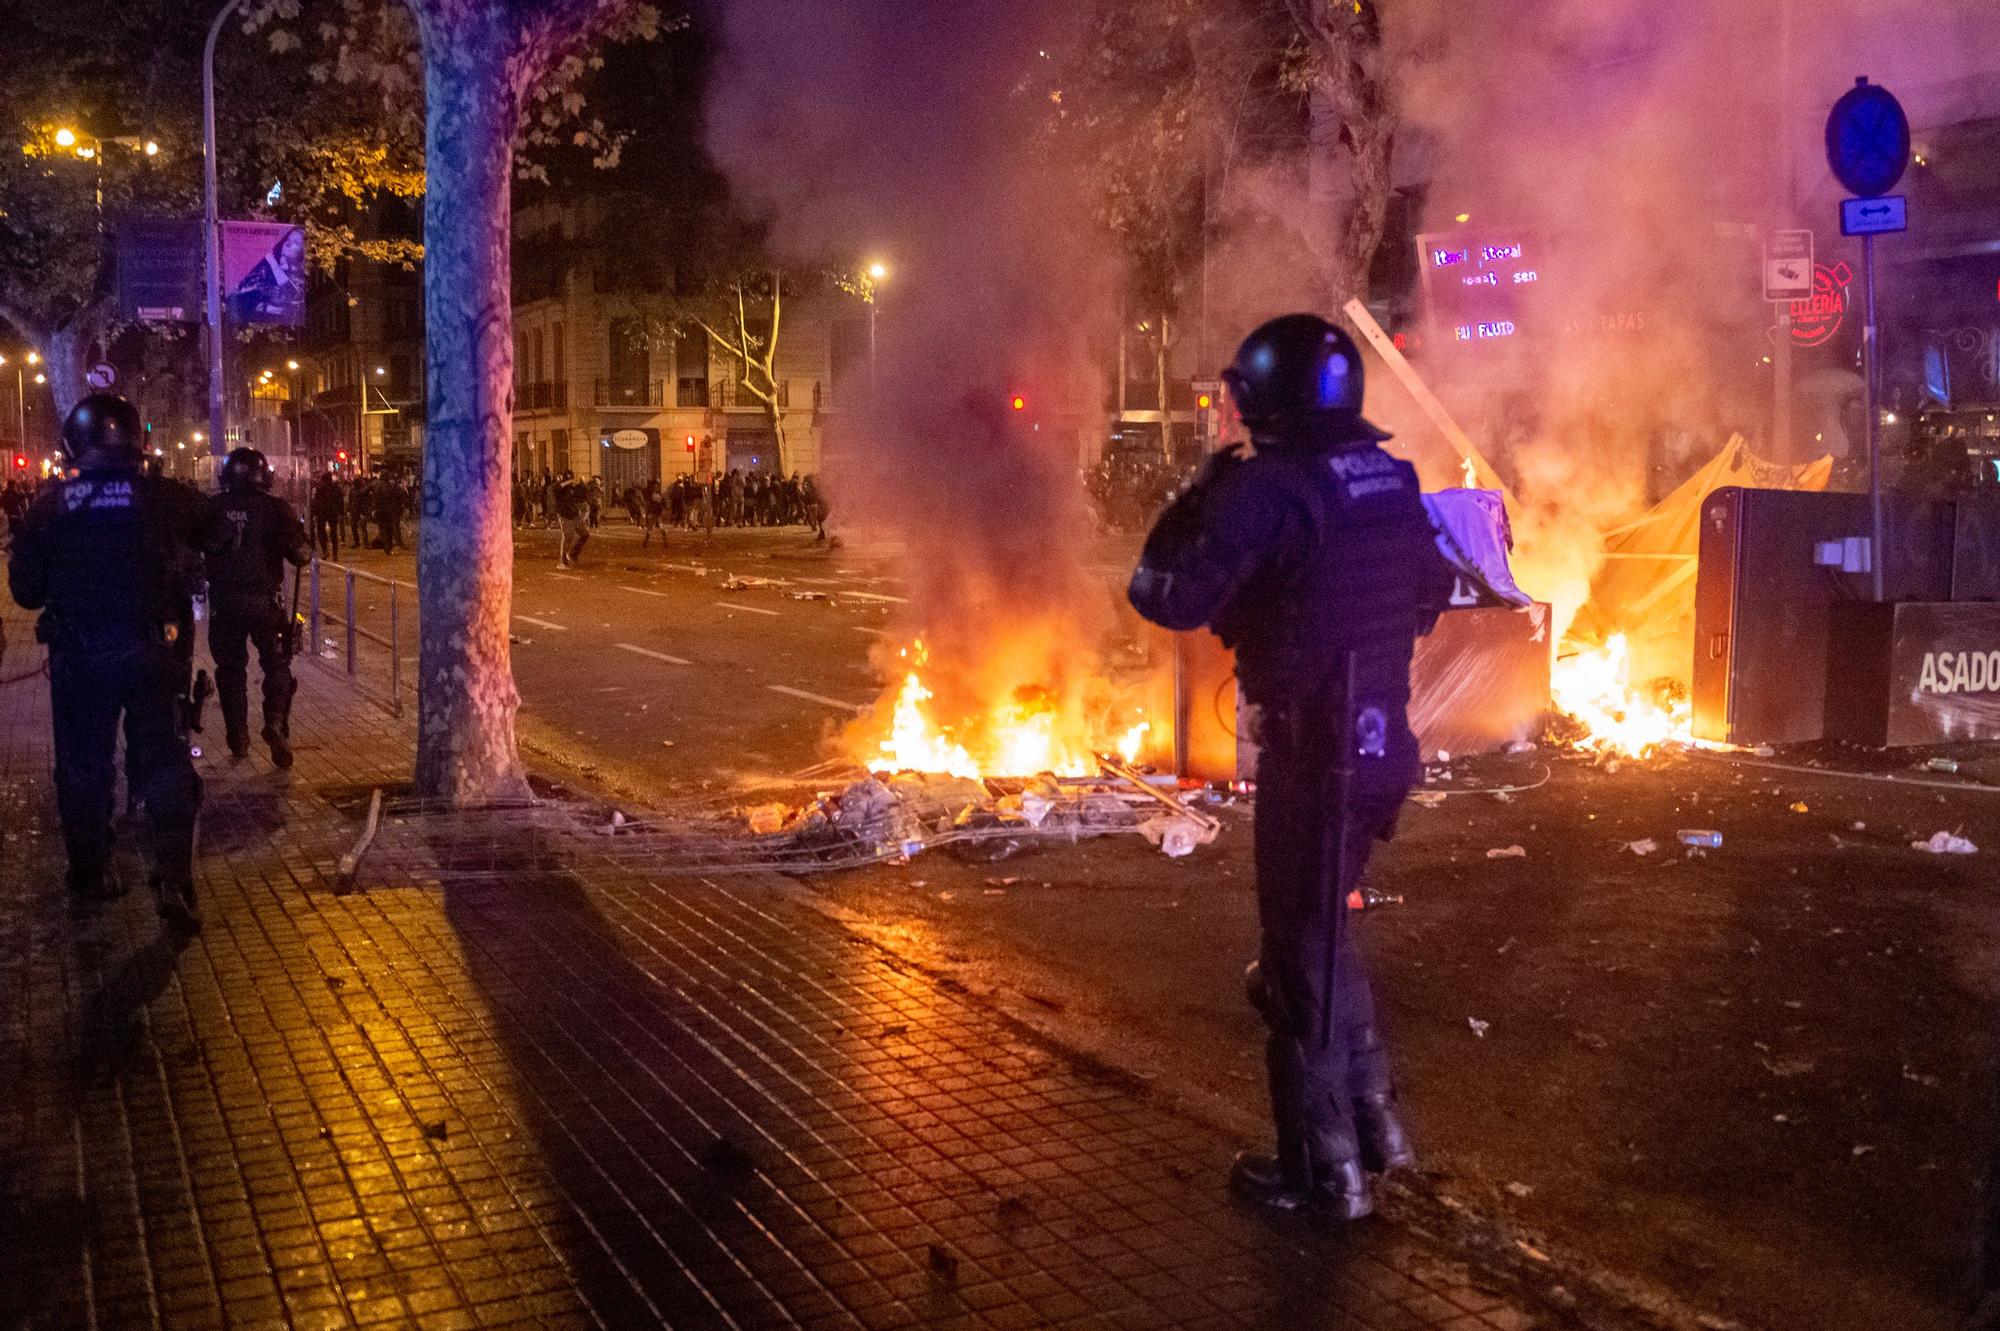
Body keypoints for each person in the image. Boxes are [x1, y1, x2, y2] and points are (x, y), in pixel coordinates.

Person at [1128, 313, 1453, 1222]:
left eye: (1236, 393)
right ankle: (1378, 1125)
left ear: (1263, 397)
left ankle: (1323, 1174)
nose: (1227, 408)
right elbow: (1431, 590)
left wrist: (1197, 501)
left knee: (1295, 961)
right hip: (1386, 745)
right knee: (1327, 934)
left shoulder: (1270, 485)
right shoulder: (1389, 474)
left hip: (1314, 757)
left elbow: (1168, 595)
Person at [7, 394, 223, 929]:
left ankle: (92, 871)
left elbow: (28, 592)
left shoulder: (51, 506)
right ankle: (173, 873)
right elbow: (217, 532)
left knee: (84, 765)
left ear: (73, 443)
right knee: (165, 757)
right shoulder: (168, 498)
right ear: (138, 441)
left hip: (80, 657)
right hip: (154, 649)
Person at [208, 447, 312, 768]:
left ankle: (238, 738)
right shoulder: (276, 509)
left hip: (224, 605)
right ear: (263, 475)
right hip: (265, 603)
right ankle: (275, 724)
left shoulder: (213, 508)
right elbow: (302, 555)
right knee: (277, 666)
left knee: (230, 671)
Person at [555, 472, 589, 567]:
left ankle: (572, 554)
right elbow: (555, 488)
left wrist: (582, 484)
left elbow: (581, 498)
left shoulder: (573, 489)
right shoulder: (559, 489)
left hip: (575, 514)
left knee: (585, 534)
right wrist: (568, 482)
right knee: (568, 537)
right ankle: (562, 560)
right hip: (565, 516)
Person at [309, 470, 343, 560]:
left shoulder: (319, 487)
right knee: (333, 533)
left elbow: (315, 501)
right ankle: (335, 554)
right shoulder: (336, 488)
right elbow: (340, 500)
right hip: (332, 512)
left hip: (322, 512)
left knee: (321, 532)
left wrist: (314, 513)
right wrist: (341, 512)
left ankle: (325, 551)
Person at [371, 471, 406, 553]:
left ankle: (386, 546)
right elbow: (400, 495)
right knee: (389, 528)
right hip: (389, 510)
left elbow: (365, 493)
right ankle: (389, 547)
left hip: (379, 509)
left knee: (382, 529)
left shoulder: (376, 485)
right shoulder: (392, 486)